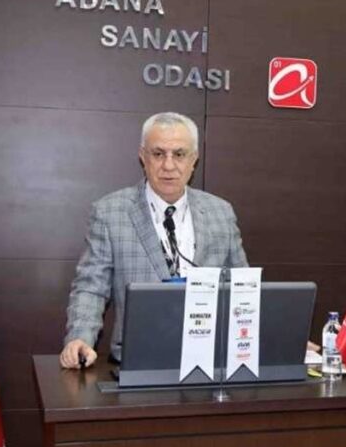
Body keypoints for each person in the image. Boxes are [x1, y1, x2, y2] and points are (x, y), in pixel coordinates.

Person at [59, 112, 248, 369]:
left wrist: (264, 340)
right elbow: (91, 287)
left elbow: (243, 289)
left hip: (210, 360)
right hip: (138, 361)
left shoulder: (221, 212)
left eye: (179, 154)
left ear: (194, 159)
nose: (168, 165)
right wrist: (80, 337)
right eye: (158, 154)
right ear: (143, 156)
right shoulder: (110, 212)